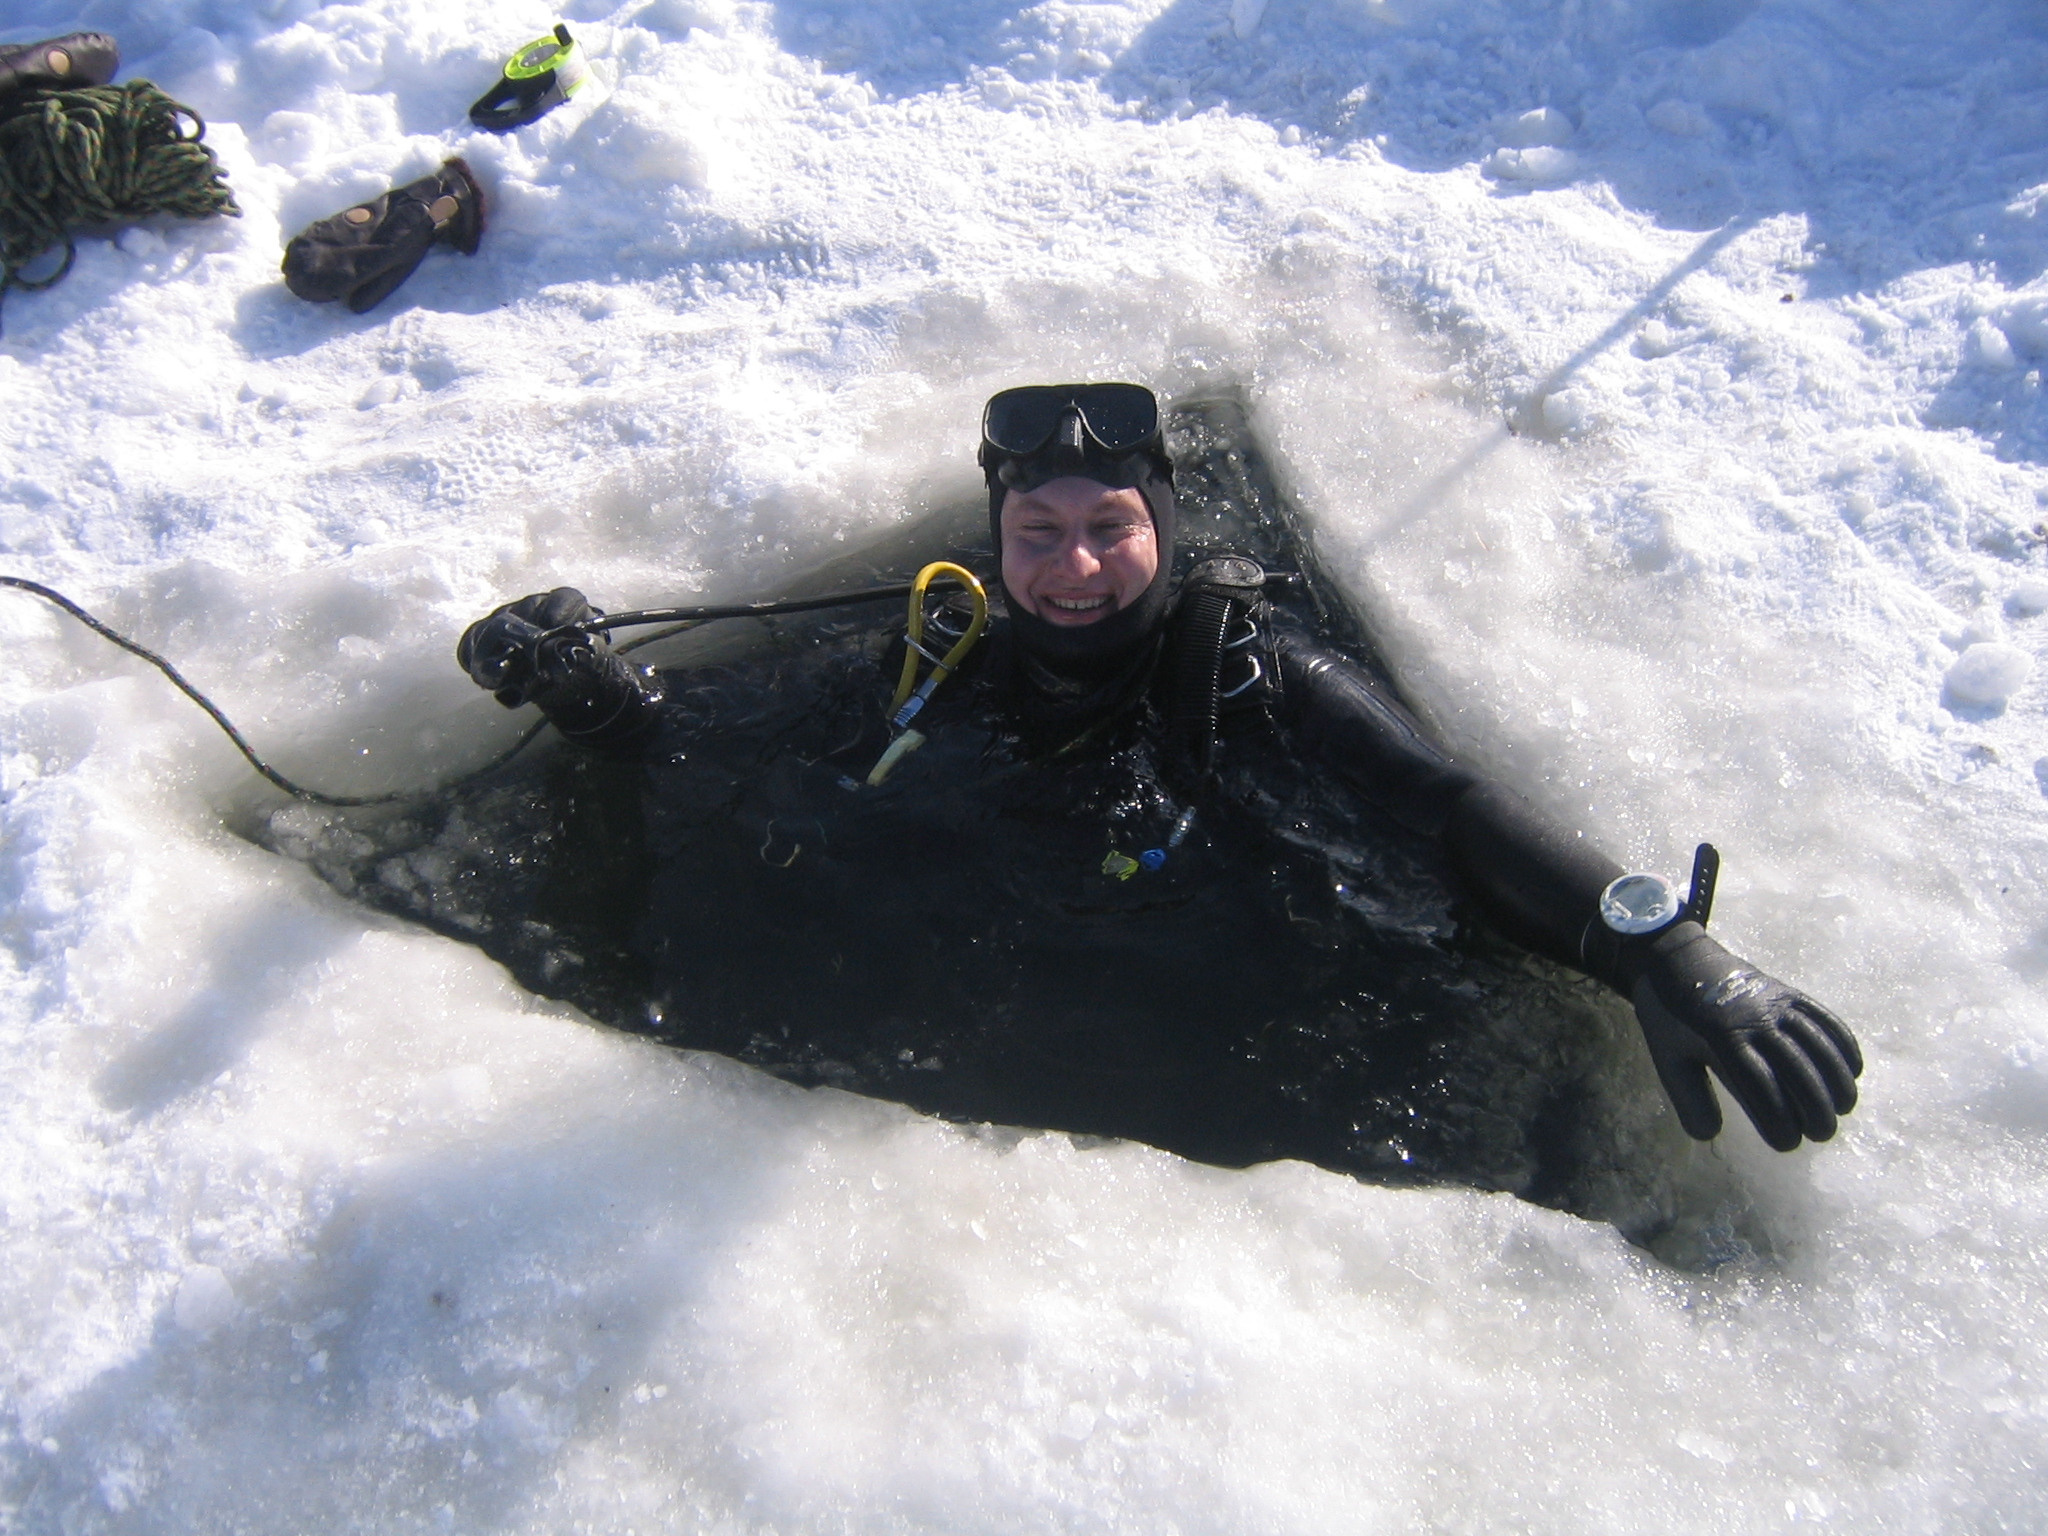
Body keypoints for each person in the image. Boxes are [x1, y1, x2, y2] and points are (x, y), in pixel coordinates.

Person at [454, 383, 1862, 1160]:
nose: (1073, 566)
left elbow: (1444, 812)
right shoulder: (946, 645)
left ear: (1166, 531)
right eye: (1038, 532)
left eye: (1111, 528)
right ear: (997, 542)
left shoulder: (1250, 667)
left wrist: (1653, 944)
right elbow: (713, 729)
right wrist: (592, 695)